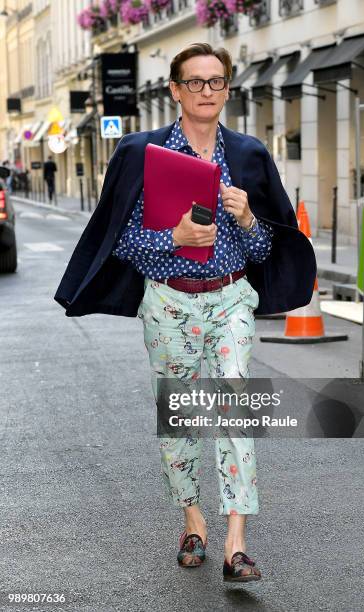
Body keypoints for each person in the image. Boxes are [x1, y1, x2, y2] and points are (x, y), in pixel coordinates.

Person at [54, 43, 316, 583]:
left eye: (216, 82)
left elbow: (268, 249)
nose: (206, 92)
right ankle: (193, 519)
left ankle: (236, 543)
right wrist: (172, 237)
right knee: (179, 419)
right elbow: (123, 244)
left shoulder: (247, 154)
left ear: (227, 90)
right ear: (174, 89)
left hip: (230, 299)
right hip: (169, 302)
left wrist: (247, 220)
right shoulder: (141, 154)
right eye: (194, 82)